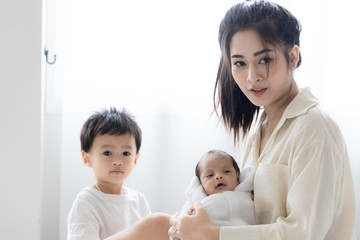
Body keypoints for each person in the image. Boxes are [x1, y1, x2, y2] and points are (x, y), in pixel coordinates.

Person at [168, 1, 356, 240]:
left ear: (293, 56)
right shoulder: (260, 130)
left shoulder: (314, 127)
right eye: (239, 63)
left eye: (264, 60)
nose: (252, 77)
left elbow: (303, 233)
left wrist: (211, 234)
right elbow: (249, 219)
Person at [67, 107, 170, 240]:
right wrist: (149, 226)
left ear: (135, 159)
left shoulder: (139, 200)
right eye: (107, 153)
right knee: (157, 222)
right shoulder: (86, 203)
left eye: (126, 153)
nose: (117, 161)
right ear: (87, 159)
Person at [178, 150, 255, 226]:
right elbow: (182, 221)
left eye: (226, 171)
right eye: (210, 175)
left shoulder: (244, 194)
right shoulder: (196, 201)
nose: (218, 176)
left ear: (237, 178)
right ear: (201, 184)